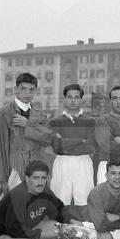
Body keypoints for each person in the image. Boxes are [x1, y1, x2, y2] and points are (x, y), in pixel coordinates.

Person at [0, 72, 54, 218]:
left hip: (35, 167)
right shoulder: (3, 114)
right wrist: (0, 177)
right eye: (23, 89)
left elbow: (49, 138)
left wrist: (27, 125)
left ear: (35, 91)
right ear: (16, 89)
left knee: (34, 210)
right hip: (13, 167)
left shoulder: (41, 115)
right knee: (8, 210)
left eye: (31, 90)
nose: (27, 93)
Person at [49, 84, 96, 220]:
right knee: (60, 204)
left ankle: (85, 231)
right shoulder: (55, 122)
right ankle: (60, 232)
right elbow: (57, 147)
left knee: (85, 204)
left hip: (83, 163)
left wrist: (65, 142)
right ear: (65, 99)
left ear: (81, 99)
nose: (73, 100)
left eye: (76, 97)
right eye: (69, 97)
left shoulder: (90, 121)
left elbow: (90, 146)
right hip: (62, 163)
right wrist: (80, 140)